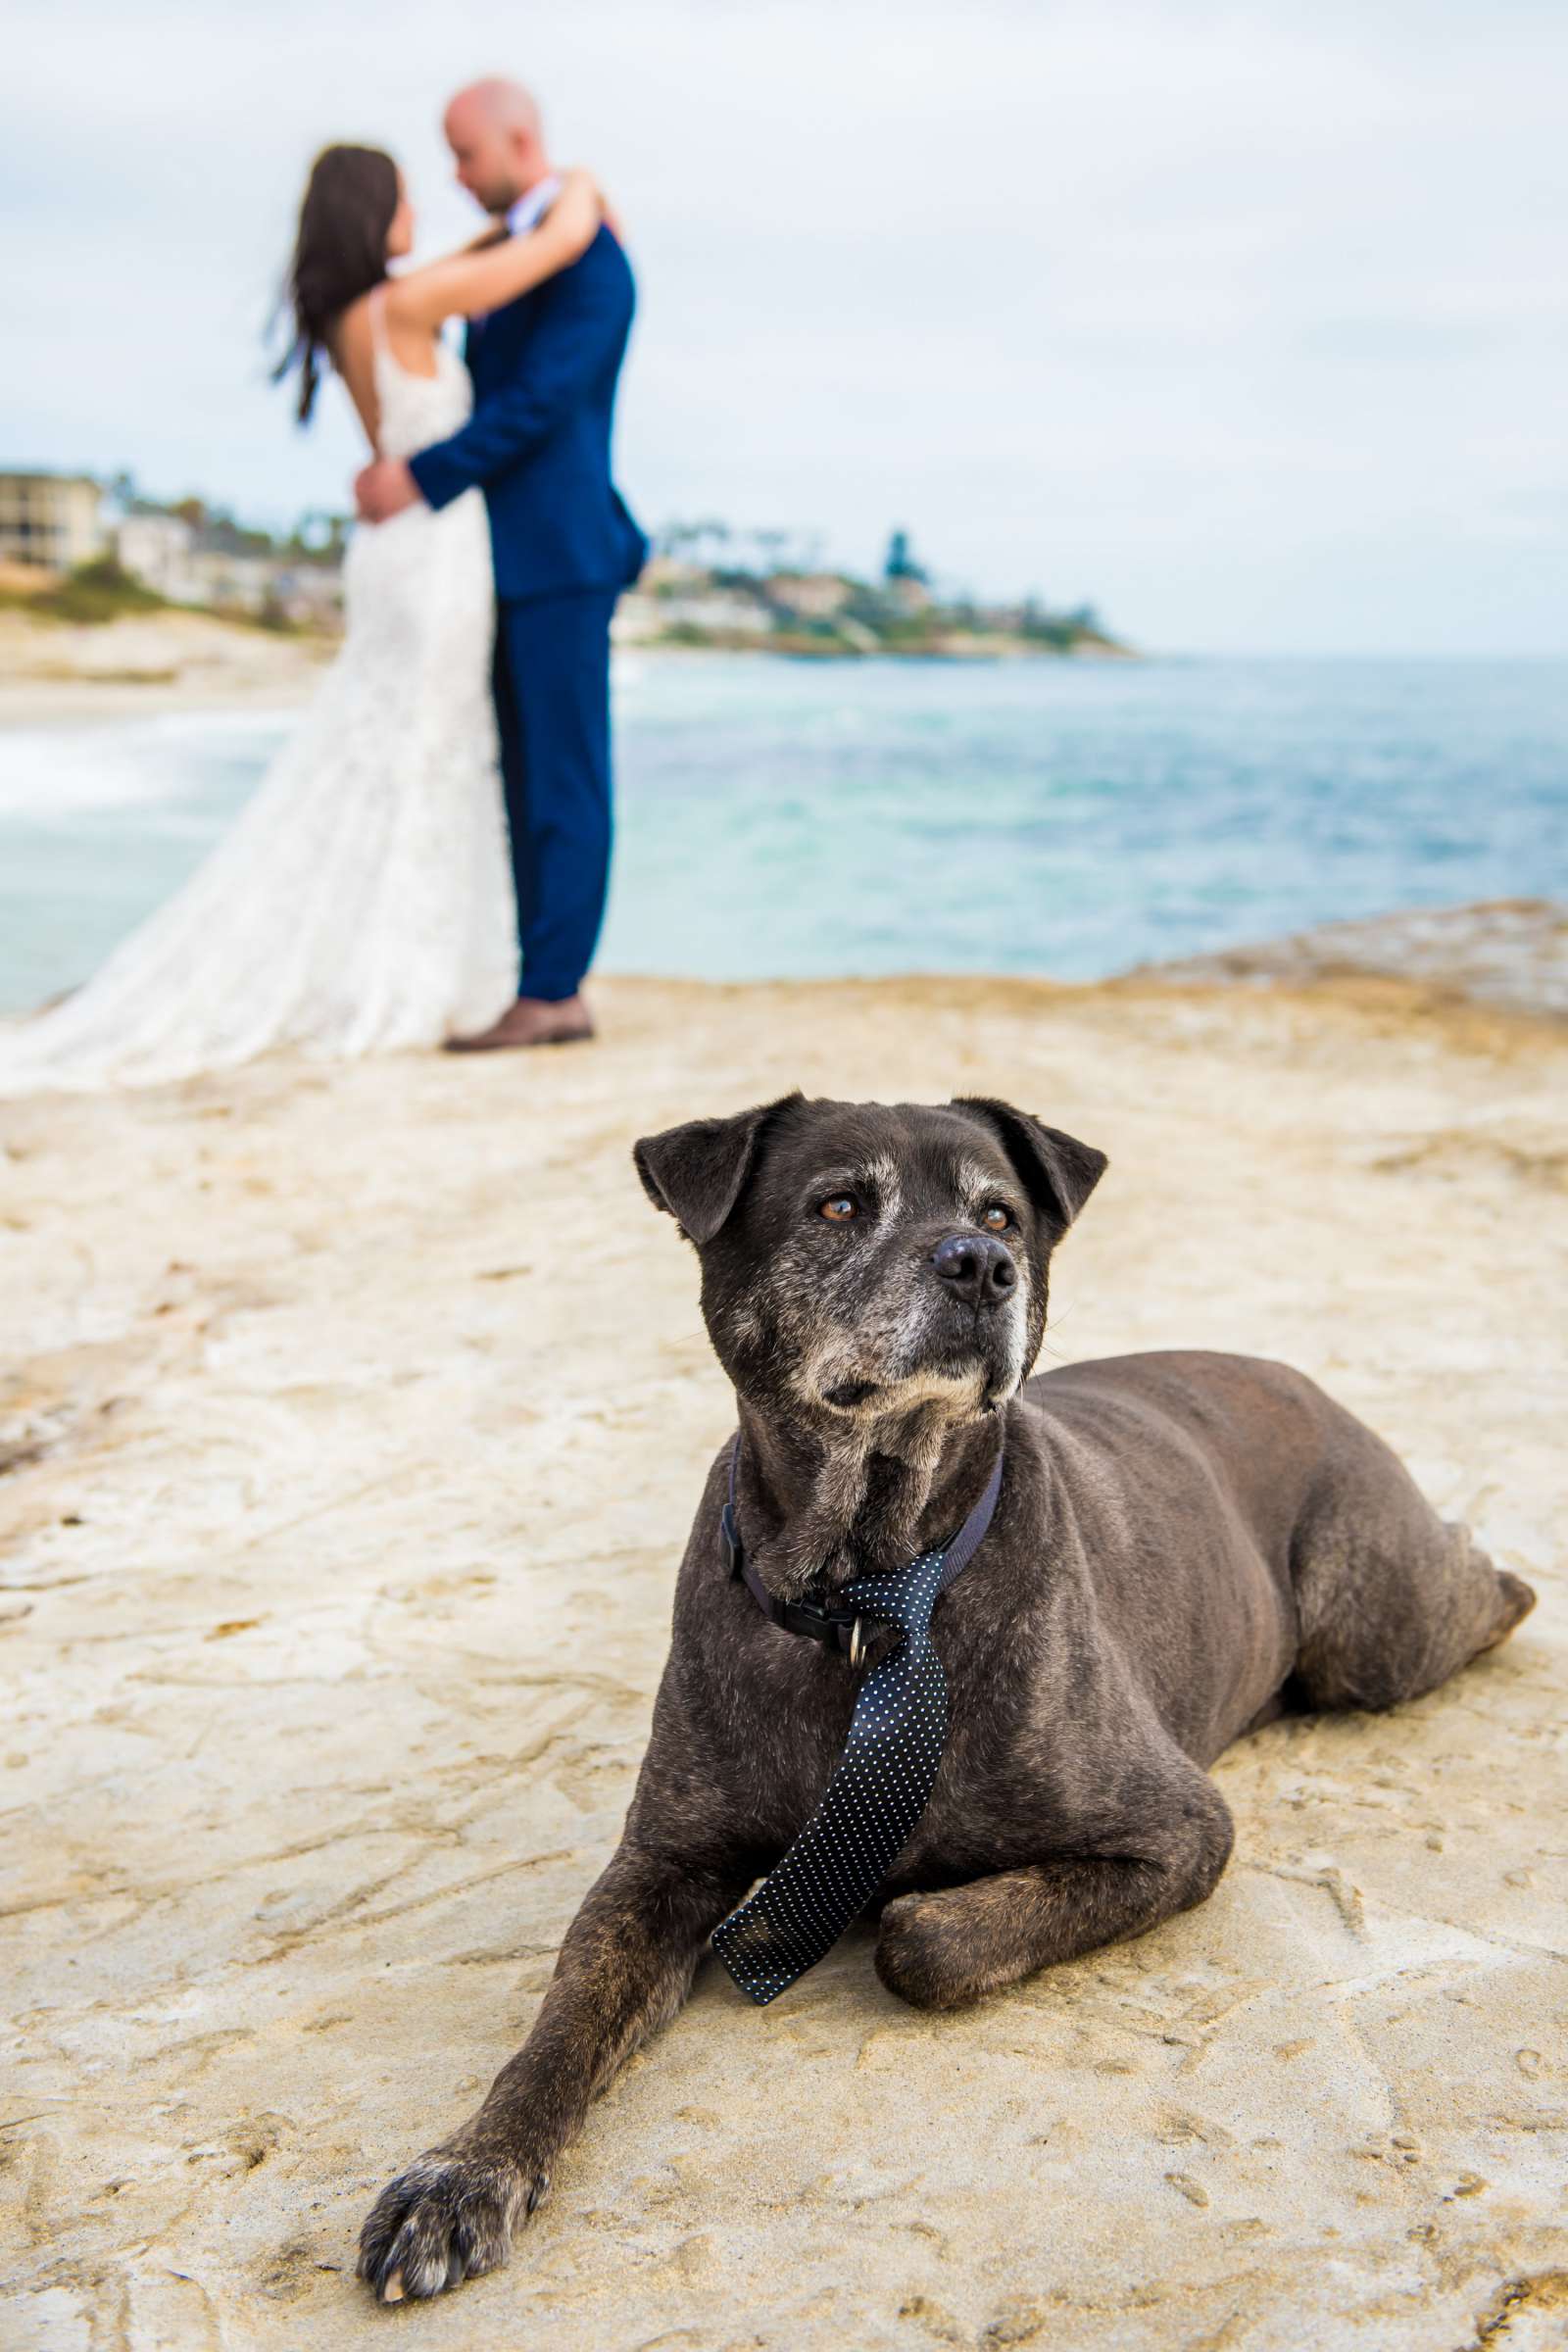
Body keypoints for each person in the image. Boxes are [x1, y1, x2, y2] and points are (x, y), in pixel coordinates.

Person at [0, 143, 604, 1094]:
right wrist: (575, 188)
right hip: (433, 556)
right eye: (404, 196)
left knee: (399, 753)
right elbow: (550, 245)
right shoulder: (403, 306)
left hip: (395, 552)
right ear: (375, 212)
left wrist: (505, 219)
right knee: (419, 757)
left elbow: (480, 256)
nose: (418, 211)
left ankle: (398, 960)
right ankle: (401, 969)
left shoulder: (350, 315)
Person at [356, 79, 648, 1053]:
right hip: (497, 560)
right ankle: (540, 977)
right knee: (523, 778)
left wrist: (421, 476)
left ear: (518, 140)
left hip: (560, 556)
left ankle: (556, 990)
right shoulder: (523, 248)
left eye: (464, 154)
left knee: (565, 779)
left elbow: (542, 405)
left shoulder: (594, 263)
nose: (453, 174)